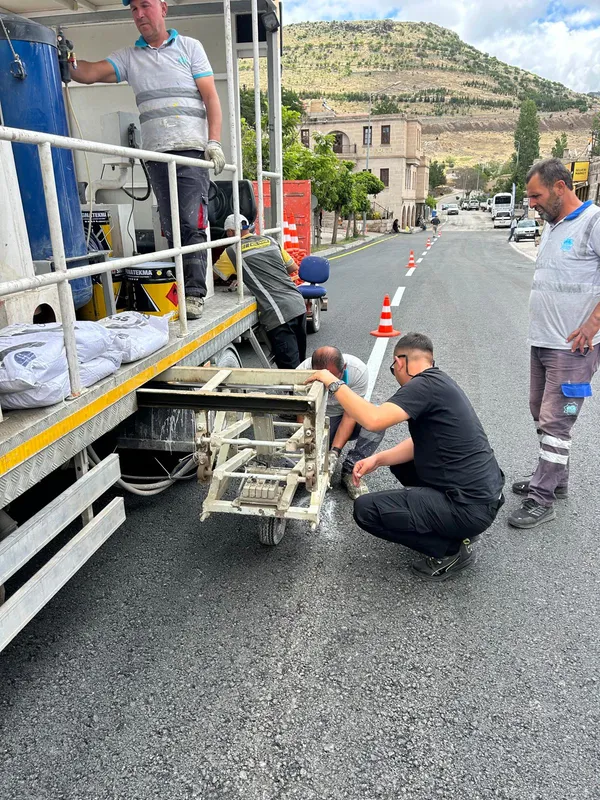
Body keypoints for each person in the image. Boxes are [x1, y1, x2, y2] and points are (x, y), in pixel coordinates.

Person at [69, 0, 226, 320]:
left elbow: (211, 96)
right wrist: (64, 59)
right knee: (170, 225)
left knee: (191, 222)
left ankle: (194, 293)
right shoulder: (130, 57)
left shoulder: (189, 48)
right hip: (156, 154)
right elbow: (89, 72)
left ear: (163, 8)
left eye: (146, 5)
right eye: (134, 9)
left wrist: (214, 142)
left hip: (191, 151)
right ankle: (182, 288)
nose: (140, 14)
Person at [305, 333, 505, 582]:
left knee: (366, 510)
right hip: (485, 497)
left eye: (393, 368)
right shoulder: (441, 383)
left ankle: (450, 551)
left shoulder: (423, 386)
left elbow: (373, 419)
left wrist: (332, 382)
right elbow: (421, 442)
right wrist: (378, 460)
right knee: (401, 465)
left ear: (399, 362)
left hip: (470, 507)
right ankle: (454, 527)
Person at [508, 158, 600, 529]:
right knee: (540, 411)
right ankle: (555, 478)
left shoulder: (593, 222)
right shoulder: (552, 225)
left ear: (560, 186)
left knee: (556, 420)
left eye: (536, 196)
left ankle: (541, 498)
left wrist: (592, 324)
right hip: (544, 341)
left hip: (573, 348)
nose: (531, 203)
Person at [214, 215, 307, 368]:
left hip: (279, 313)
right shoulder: (271, 241)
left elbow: (214, 276)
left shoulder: (232, 251)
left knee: (290, 372)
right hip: (297, 303)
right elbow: (292, 267)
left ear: (230, 232)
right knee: (301, 366)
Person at [297, 347, 385, 500]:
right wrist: (308, 447)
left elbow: (351, 414)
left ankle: (351, 470)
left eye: (330, 378)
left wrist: (334, 452)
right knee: (308, 458)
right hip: (318, 416)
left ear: (343, 368)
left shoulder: (357, 371)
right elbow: (303, 415)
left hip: (345, 415)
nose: (326, 385)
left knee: (378, 419)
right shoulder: (301, 372)